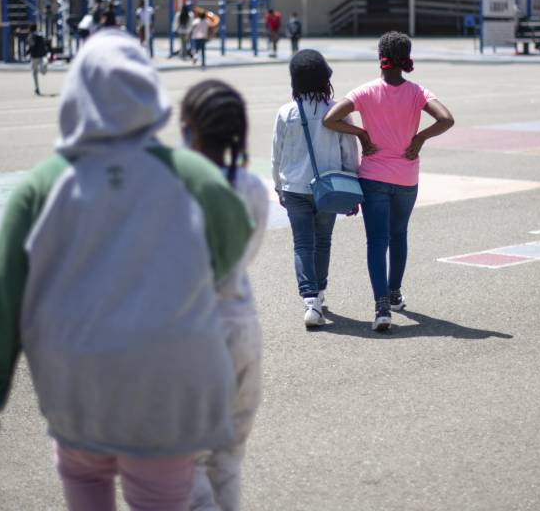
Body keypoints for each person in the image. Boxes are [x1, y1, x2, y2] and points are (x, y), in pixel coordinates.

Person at [0, 30, 254, 511]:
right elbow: (232, 240)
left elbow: (3, 289)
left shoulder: (44, 184)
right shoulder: (192, 177)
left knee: (84, 482)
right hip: (166, 394)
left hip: (77, 389)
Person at [322, 31, 454, 332]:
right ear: (406, 58)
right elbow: (446, 119)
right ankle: (394, 294)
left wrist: (361, 134)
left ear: (380, 58)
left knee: (376, 241)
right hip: (407, 177)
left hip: (373, 177)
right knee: (399, 236)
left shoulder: (364, 92)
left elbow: (330, 119)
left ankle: (382, 307)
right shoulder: (418, 92)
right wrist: (420, 138)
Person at [181, 80, 268, 511]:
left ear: (190, 130)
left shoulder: (176, 186)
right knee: (228, 459)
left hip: (193, 332)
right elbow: (246, 254)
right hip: (242, 325)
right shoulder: (251, 187)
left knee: (188, 465)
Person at [271, 49, 359, 328]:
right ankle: (319, 292)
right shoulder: (337, 112)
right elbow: (349, 153)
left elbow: (277, 154)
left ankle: (310, 301)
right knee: (323, 241)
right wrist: (352, 187)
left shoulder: (286, 113)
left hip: (294, 187)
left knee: (302, 244)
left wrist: (278, 185)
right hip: (330, 188)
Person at [26, 23, 49, 96]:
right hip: (41, 56)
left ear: (30, 29)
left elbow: (31, 45)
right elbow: (45, 44)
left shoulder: (30, 36)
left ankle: (37, 88)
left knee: (34, 73)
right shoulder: (40, 35)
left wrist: (27, 52)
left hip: (34, 57)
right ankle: (44, 65)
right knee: (42, 72)